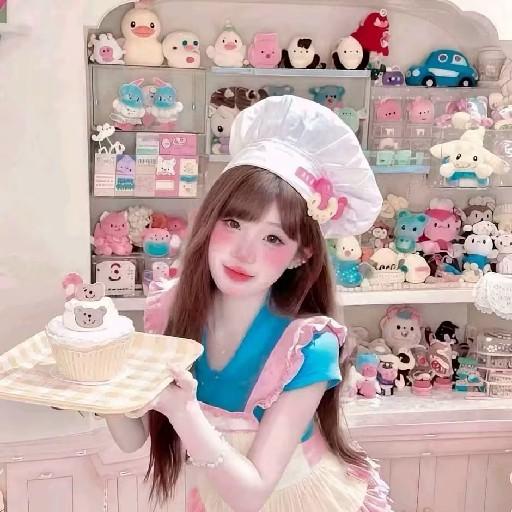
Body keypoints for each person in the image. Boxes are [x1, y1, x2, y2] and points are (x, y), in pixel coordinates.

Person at [104, 95, 391, 511]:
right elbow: (134, 438)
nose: (244, 253)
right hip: (212, 497)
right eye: (233, 223)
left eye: (273, 237)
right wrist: (96, 373)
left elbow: (251, 494)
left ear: (301, 254)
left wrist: (183, 411)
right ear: (209, 221)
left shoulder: (308, 346)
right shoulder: (173, 308)